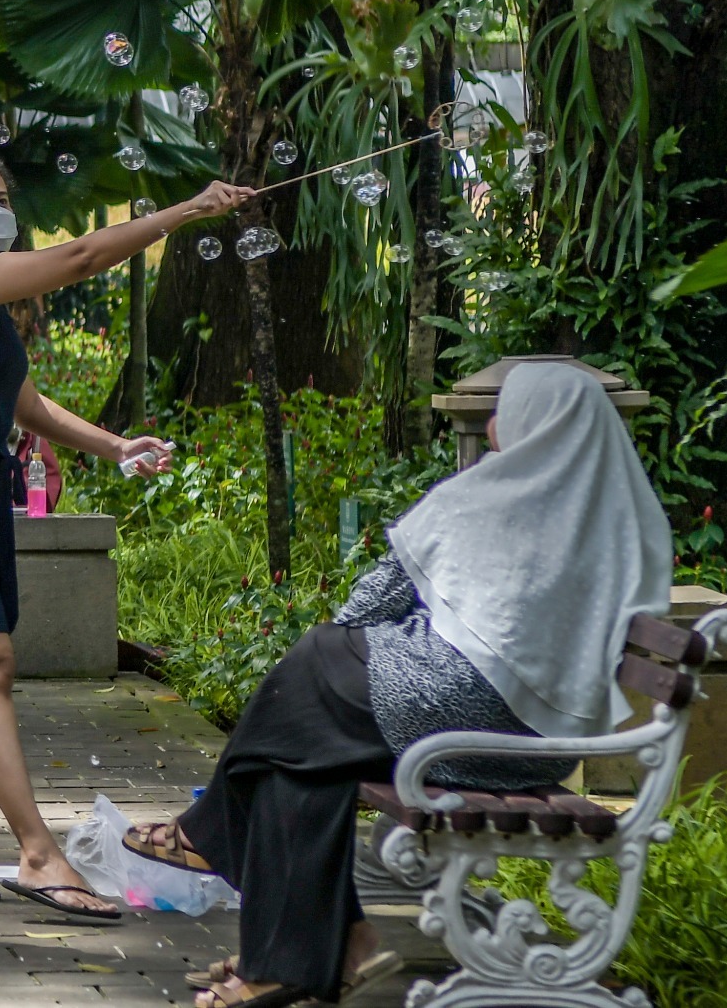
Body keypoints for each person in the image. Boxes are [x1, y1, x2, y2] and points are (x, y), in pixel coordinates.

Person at [124, 363, 671, 1007]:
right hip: (537, 742)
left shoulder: (483, 496)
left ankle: (213, 839)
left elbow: (364, 609)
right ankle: (328, 946)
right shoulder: (623, 517)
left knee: (319, 653)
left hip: (458, 724)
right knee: (297, 762)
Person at [0, 150, 256, 915]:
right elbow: (80, 256)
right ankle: (39, 854)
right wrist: (186, 211)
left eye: (3, 195)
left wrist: (117, 446)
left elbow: (30, 407)